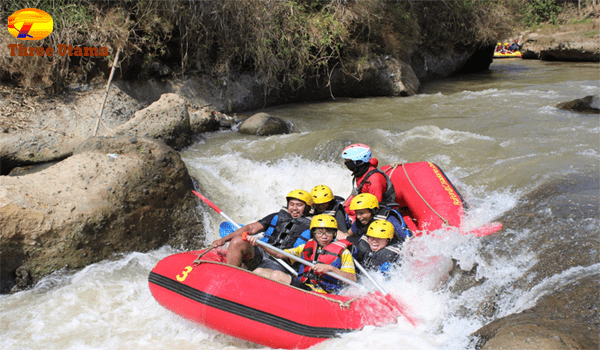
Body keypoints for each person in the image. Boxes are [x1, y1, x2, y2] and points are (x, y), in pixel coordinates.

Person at [211, 189, 313, 273]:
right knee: (237, 241)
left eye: (299, 205)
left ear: (307, 208)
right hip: (261, 253)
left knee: (259, 272)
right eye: (292, 204)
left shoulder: (312, 226)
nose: (294, 208)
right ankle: (229, 274)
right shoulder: (277, 216)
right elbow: (250, 228)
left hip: (281, 264)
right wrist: (223, 240)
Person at [248, 214, 356, 294]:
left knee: (278, 276)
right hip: (304, 286)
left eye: (328, 232)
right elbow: (279, 254)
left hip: (322, 293)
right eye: (319, 232)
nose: (324, 236)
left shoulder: (344, 252)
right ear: (313, 233)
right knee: (259, 271)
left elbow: (352, 279)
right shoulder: (306, 246)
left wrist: (331, 269)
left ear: (334, 234)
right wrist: (259, 244)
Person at [341, 143, 397, 211]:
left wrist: (350, 212)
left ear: (359, 162)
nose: (346, 164)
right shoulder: (361, 172)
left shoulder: (374, 180)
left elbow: (374, 208)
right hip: (364, 203)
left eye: (349, 161)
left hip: (379, 210)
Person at [340, 193, 411, 245]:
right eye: (357, 213)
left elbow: (405, 240)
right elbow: (349, 234)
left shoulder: (387, 219)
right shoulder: (361, 219)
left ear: (372, 211)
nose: (358, 217)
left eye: (361, 213)